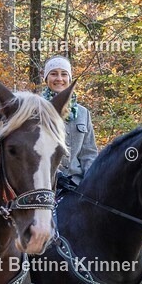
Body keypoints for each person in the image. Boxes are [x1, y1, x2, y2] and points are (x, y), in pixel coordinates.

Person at [41, 56, 97, 190]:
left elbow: (89, 153)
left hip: (78, 185)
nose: (59, 79)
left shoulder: (83, 113)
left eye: (64, 74)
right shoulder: (36, 110)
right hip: (44, 183)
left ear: (69, 79)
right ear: (46, 79)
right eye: (53, 74)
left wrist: (92, 180)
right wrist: (56, 175)